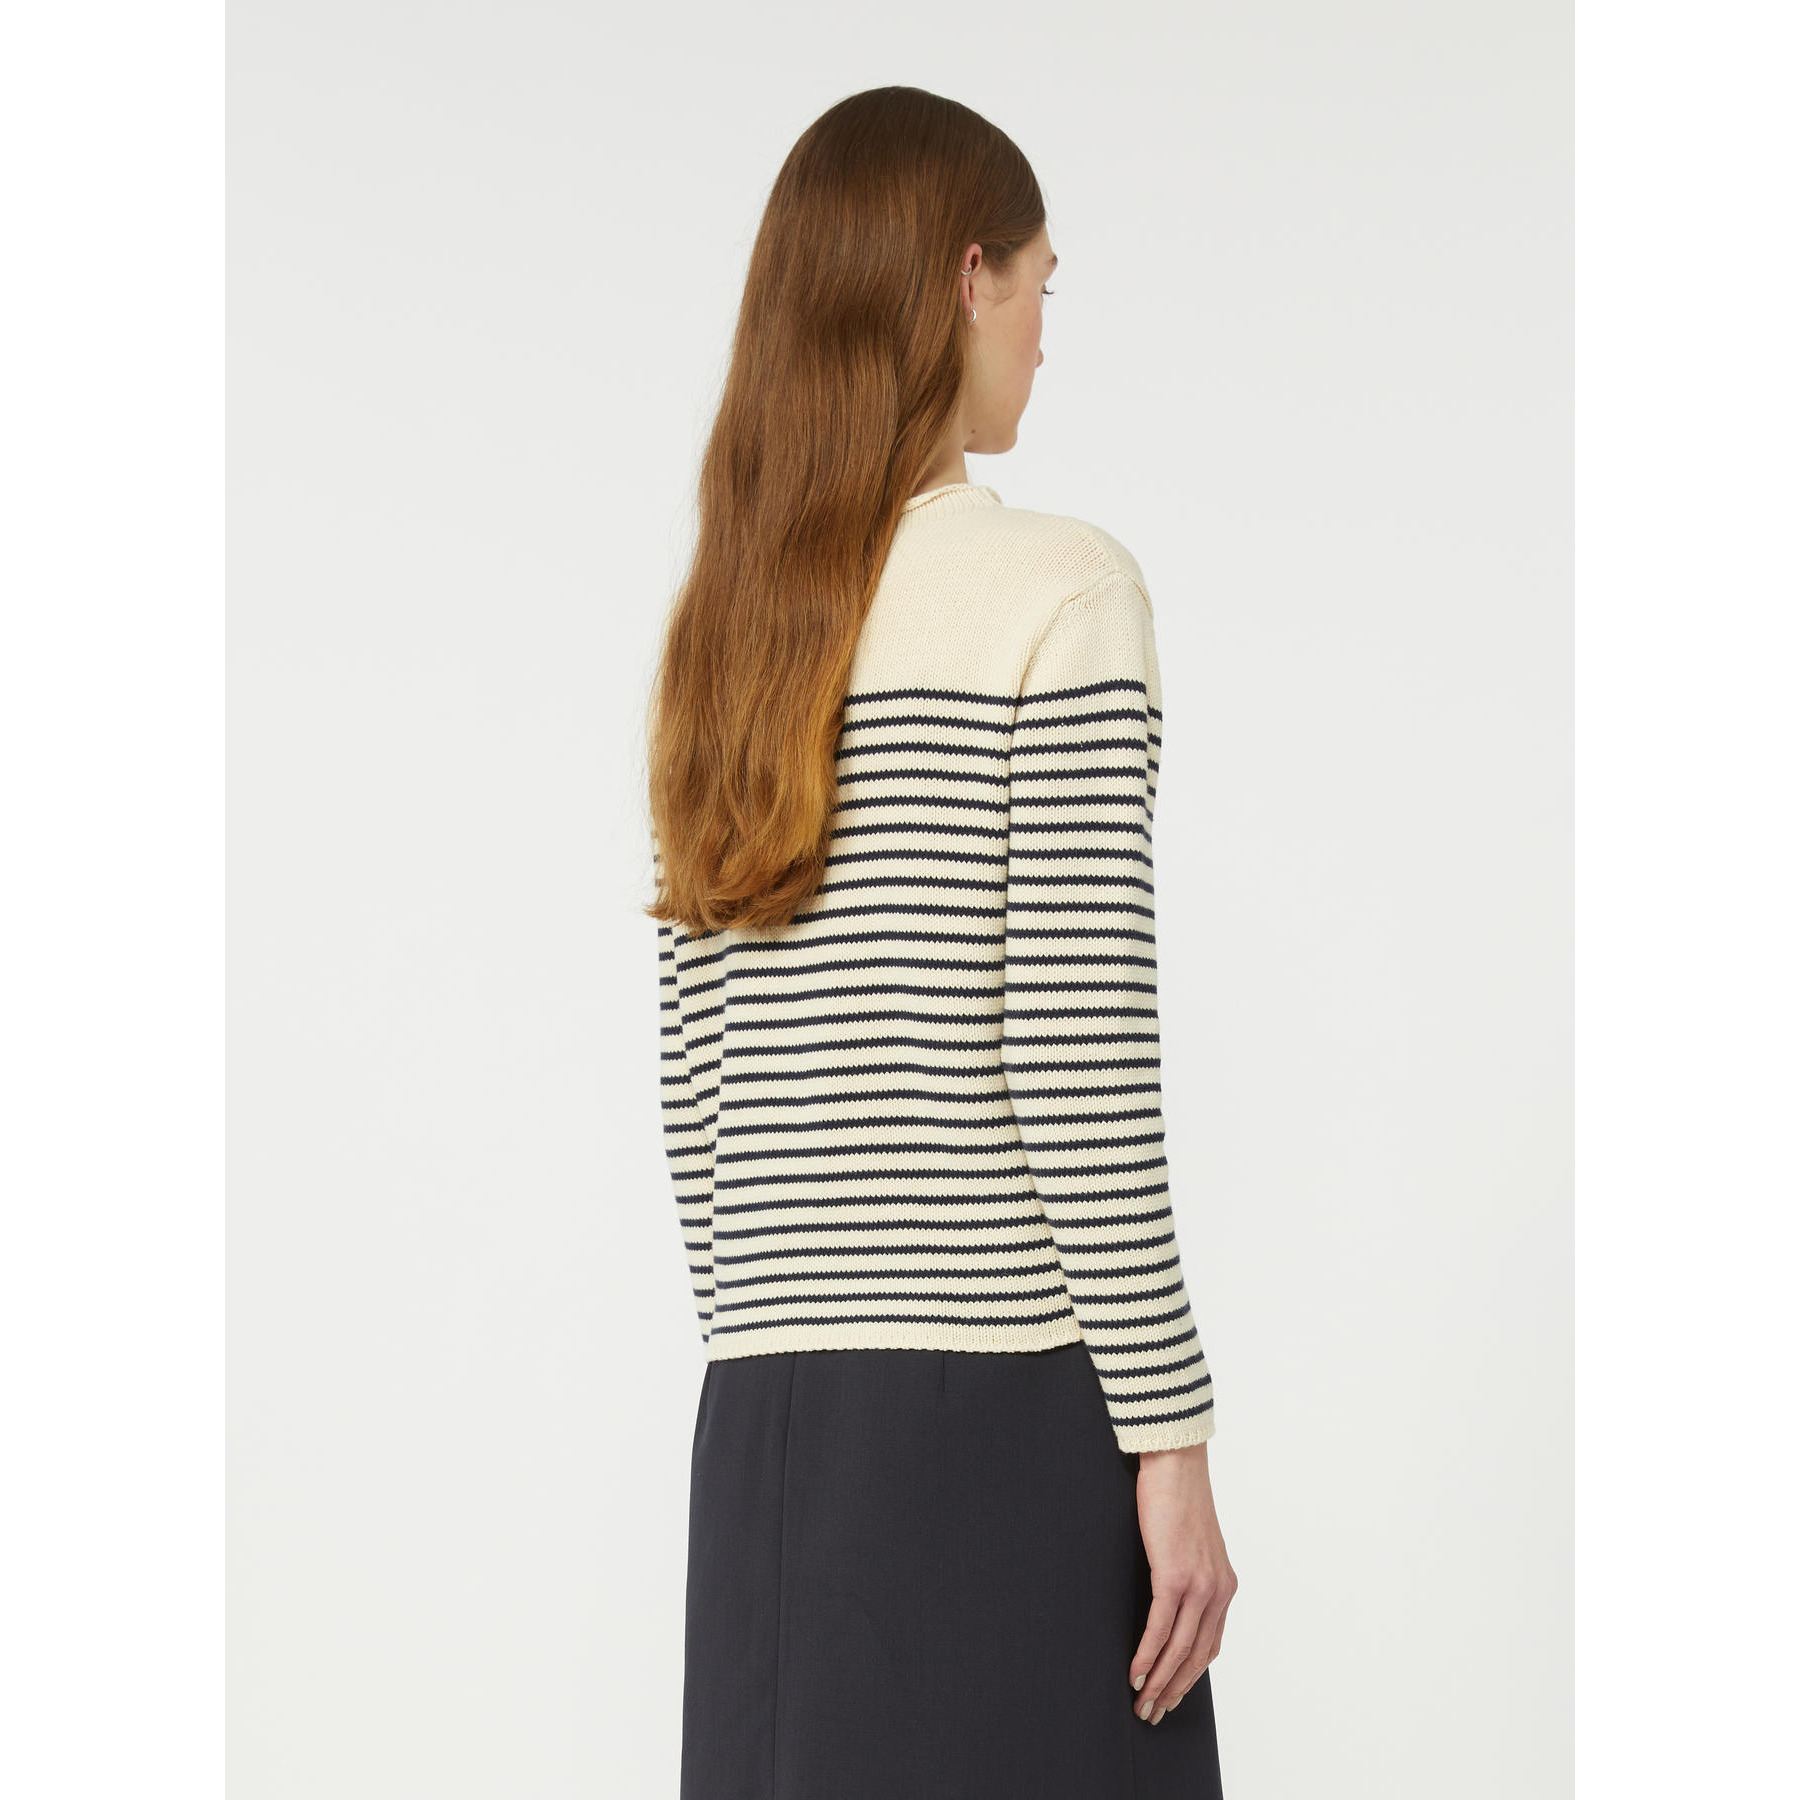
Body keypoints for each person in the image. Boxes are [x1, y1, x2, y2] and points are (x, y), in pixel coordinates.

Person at [644, 85, 1236, 1800]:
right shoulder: (1064, 591)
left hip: (767, 1433)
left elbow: (697, 1092)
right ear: (967, 277)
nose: (1047, 331)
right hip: (1000, 1421)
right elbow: (1074, 1050)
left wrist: (787, 1332)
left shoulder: (734, 629)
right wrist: (1171, 1435)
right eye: (1043, 283)